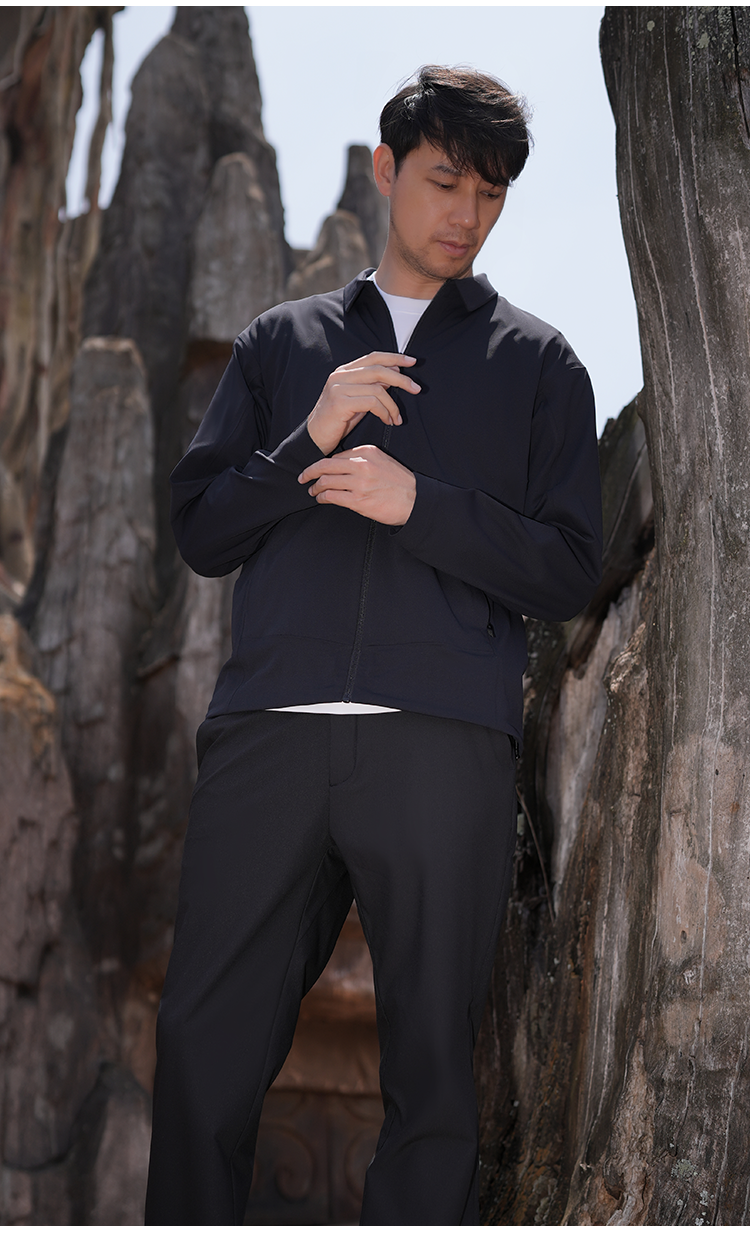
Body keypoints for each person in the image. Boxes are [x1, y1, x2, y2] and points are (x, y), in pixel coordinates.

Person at [144, 65, 602, 1225]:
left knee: (435, 1075)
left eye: (491, 194)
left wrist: (420, 506)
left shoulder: (541, 365)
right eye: (447, 181)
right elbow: (203, 530)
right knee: (202, 1047)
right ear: (388, 169)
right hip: (271, 733)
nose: (468, 214)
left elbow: (568, 568)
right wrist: (309, 435)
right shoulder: (281, 342)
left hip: (443, 744)